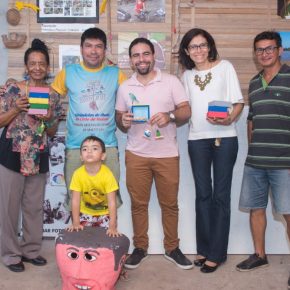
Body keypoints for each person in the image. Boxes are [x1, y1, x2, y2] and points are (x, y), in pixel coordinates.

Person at [116, 37, 193, 270]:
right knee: (138, 204)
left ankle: (172, 248)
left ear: (153, 56)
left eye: (146, 54)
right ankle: (140, 247)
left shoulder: (170, 81)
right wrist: (124, 120)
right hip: (136, 154)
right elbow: (119, 118)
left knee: (169, 204)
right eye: (136, 55)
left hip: (167, 154)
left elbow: (186, 111)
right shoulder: (125, 87)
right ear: (131, 60)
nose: (142, 59)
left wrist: (169, 116)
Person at [178, 28, 244, 273]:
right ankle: (205, 249)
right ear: (186, 51)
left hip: (225, 138)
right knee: (203, 195)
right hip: (197, 140)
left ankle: (217, 253)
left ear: (210, 46)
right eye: (193, 46)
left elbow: (238, 102)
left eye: (202, 45)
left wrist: (229, 120)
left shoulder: (225, 67)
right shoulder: (186, 76)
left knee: (221, 196)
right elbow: (183, 108)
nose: (199, 50)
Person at [0, 39, 61, 272]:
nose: (37, 67)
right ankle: (10, 254)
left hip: (38, 154)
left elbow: (53, 130)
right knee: (8, 208)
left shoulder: (53, 95)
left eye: (42, 63)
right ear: (26, 66)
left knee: (34, 206)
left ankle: (31, 250)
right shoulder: (12, 88)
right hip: (11, 154)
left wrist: (48, 118)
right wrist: (16, 108)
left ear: (47, 67)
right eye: (32, 63)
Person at [235, 31, 290, 285]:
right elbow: (251, 120)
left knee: (289, 214)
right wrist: (252, 150)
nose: (264, 53)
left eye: (269, 48)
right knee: (256, 209)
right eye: (259, 49)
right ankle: (260, 255)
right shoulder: (255, 82)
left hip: (285, 163)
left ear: (280, 50)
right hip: (255, 161)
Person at [51, 27, 126, 210]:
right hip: (76, 147)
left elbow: (131, 101)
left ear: (105, 50)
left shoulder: (116, 74)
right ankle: (78, 238)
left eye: (99, 46)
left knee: (108, 201)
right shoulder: (68, 72)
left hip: (107, 147)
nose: (93, 51)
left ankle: (109, 237)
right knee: (76, 200)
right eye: (89, 46)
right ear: (81, 48)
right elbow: (52, 98)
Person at [66, 135, 121, 237]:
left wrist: (113, 226)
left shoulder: (108, 175)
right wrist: (76, 222)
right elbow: (75, 200)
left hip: (105, 215)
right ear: (81, 157)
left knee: (104, 241)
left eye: (94, 148)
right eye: (85, 149)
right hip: (84, 214)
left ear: (103, 156)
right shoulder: (77, 174)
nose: (89, 151)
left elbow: (112, 202)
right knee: (82, 240)